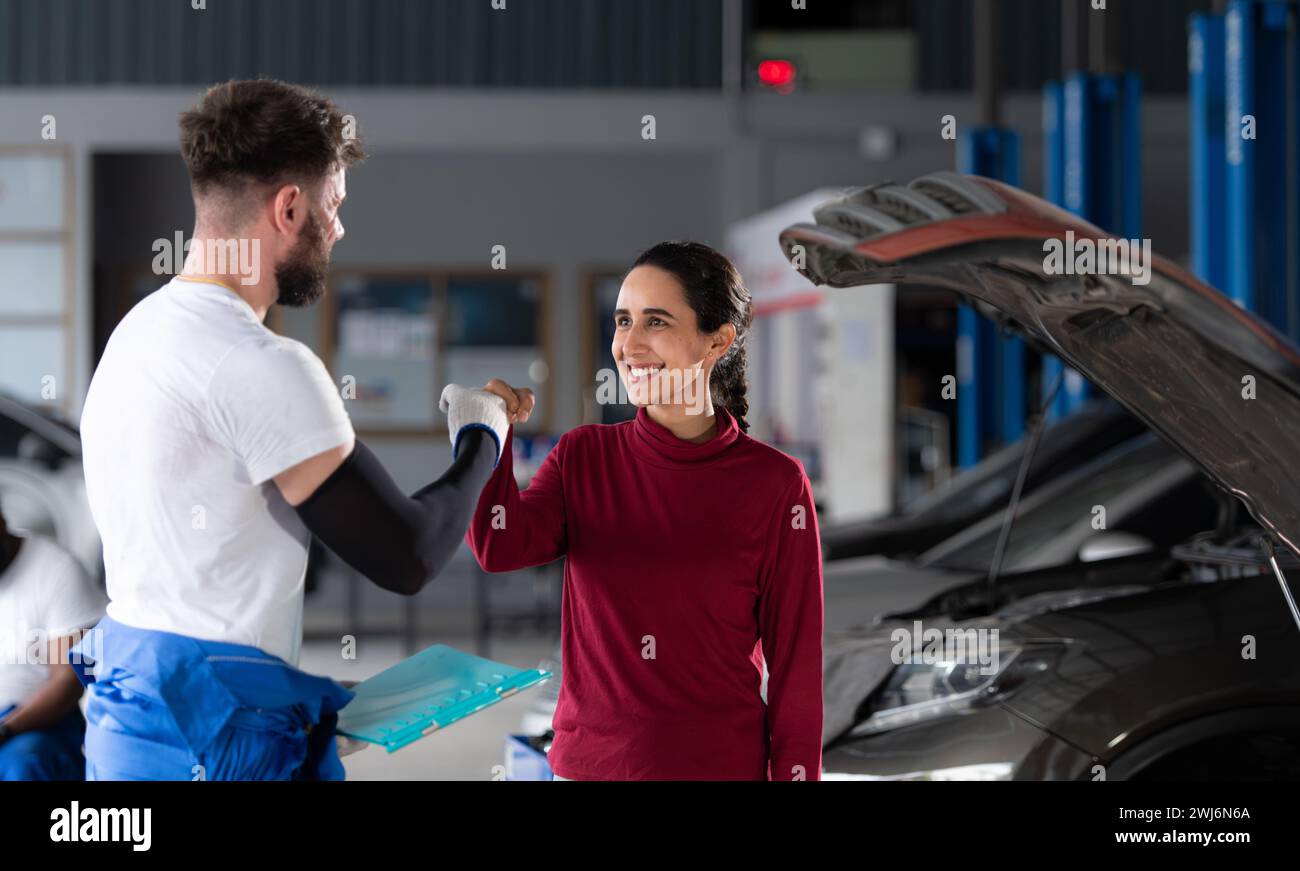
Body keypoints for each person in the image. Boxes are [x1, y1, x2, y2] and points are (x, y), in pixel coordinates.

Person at [75, 79, 512, 780]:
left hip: (134, 725)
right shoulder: (261, 363)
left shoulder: (134, 337)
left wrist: (292, 701)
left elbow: (187, 592)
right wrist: (480, 435)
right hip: (217, 744)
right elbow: (408, 555)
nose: (337, 229)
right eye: (333, 207)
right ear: (289, 207)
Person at [452, 240, 825, 781]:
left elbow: (797, 668)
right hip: (589, 770)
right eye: (623, 321)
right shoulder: (583, 457)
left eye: (656, 322)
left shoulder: (774, 485)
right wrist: (485, 433)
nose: (629, 344)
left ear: (717, 341)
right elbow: (496, 544)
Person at [0, 497, 106, 780]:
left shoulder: (56, 571)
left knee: (24, 765)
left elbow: (70, 680)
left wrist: (5, 730)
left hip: (36, 725)